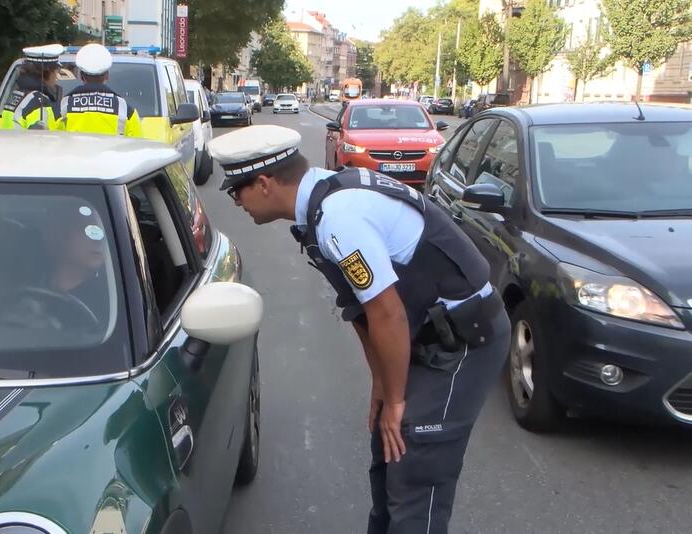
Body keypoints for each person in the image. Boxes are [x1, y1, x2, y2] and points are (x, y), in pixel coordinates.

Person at [209, 124, 510, 534]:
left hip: (465, 340)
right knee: (387, 455)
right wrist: (383, 387)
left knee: (415, 464)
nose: (236, 202)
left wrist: (398, 399)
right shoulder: (322, 204)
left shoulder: (338, 218)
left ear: (263, 183)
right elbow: (362, 310)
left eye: (236, 191)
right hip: (424, 334)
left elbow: (387, 313)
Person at [58, 44, 142, 137]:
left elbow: (55, 139)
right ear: (107, 76)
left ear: (81, 77)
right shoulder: (125, 109)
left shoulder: (65, 105)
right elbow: (137, 144)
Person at [0, 44, 66, 130]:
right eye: (56, 71)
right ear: (47, 71)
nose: (56, 77)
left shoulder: (17, 95)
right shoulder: (38, 102)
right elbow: (41, 139)